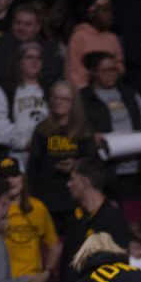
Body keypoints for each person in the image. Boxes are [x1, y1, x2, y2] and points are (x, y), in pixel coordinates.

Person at [81, 50, 141, 199]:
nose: (111, 74)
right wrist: (90, 137)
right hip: (101, 169)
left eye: (114, 69)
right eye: (105, 71)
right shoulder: (84, 98)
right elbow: (73, 131)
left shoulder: (128, 93)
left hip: (133, 169)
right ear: (93, 72)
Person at [27, 82, 95, 229]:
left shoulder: (84, 130)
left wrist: (76, 165)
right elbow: (32, 167)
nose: (58, 102)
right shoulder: (42, 130)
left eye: (64, 99)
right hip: (46, 199)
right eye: (55, 98)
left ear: (73, 103)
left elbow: (93, 163)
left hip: (75, 200)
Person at [0, 44, 48, 169]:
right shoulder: (4, 89)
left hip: (47, 155)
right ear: (19, 61)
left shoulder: (50, 88)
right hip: (15, 156)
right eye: (29, 57)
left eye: (38, 58)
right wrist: (25, 142)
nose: (34, 61)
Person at [65, 0, 125, 90]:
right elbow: (74, 70)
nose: (109, 15)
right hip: (86, 93)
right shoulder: (79, 37)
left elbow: (119, 65)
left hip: (112, 89)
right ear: (92, 13)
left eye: (110, 11)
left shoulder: (112, 38)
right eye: (105, 11)